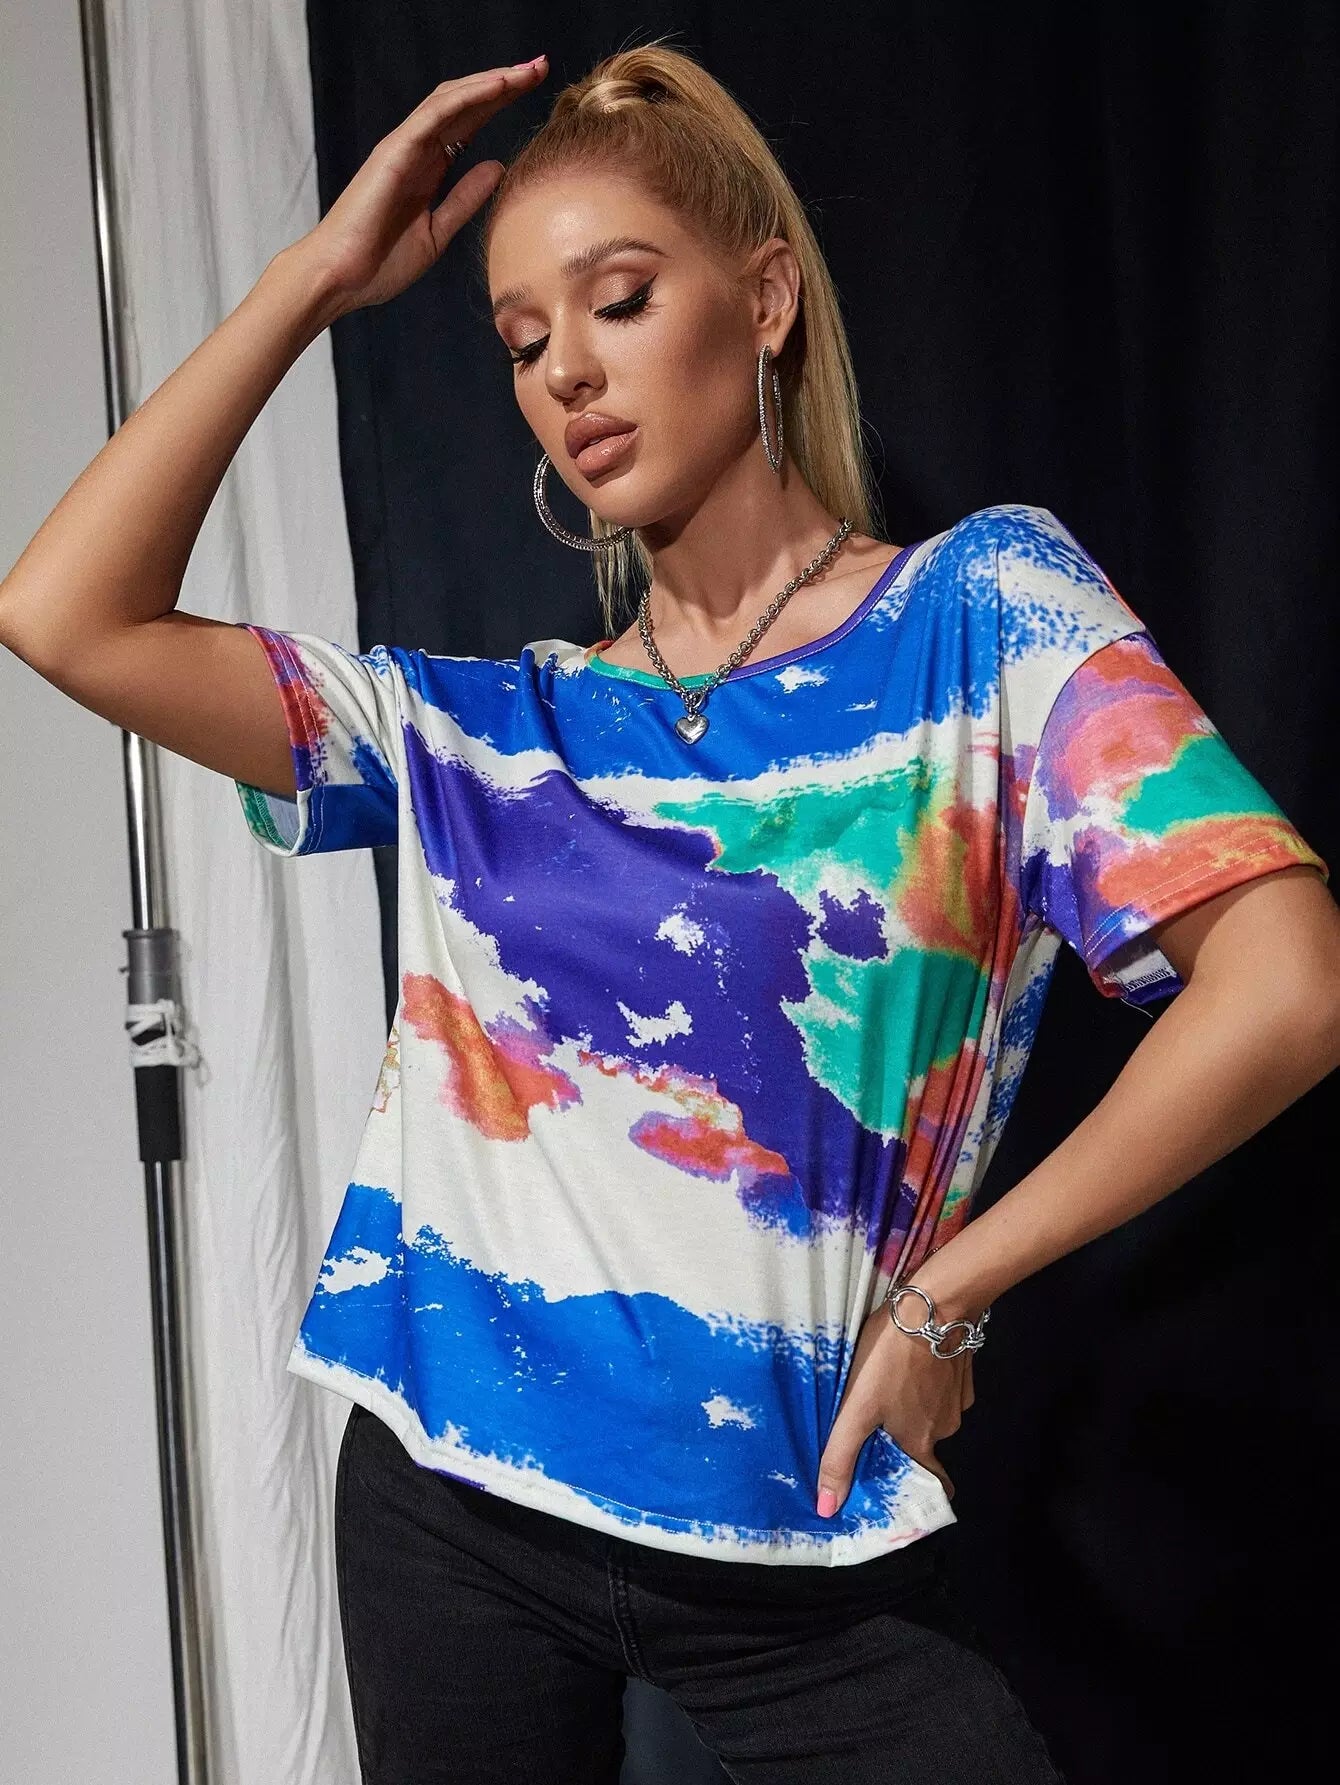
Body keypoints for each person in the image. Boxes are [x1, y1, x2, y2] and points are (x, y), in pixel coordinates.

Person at [3, 36, 1337, 1785]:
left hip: (807, 1537)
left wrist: (953, 1289)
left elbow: (1288, 983)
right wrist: (312, 281)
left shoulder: (980, 617)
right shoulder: (490, 727)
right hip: (454, 1512)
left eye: (618, 300)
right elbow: (65, 613)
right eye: (519, 340)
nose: (568, 368)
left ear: (765, 299)